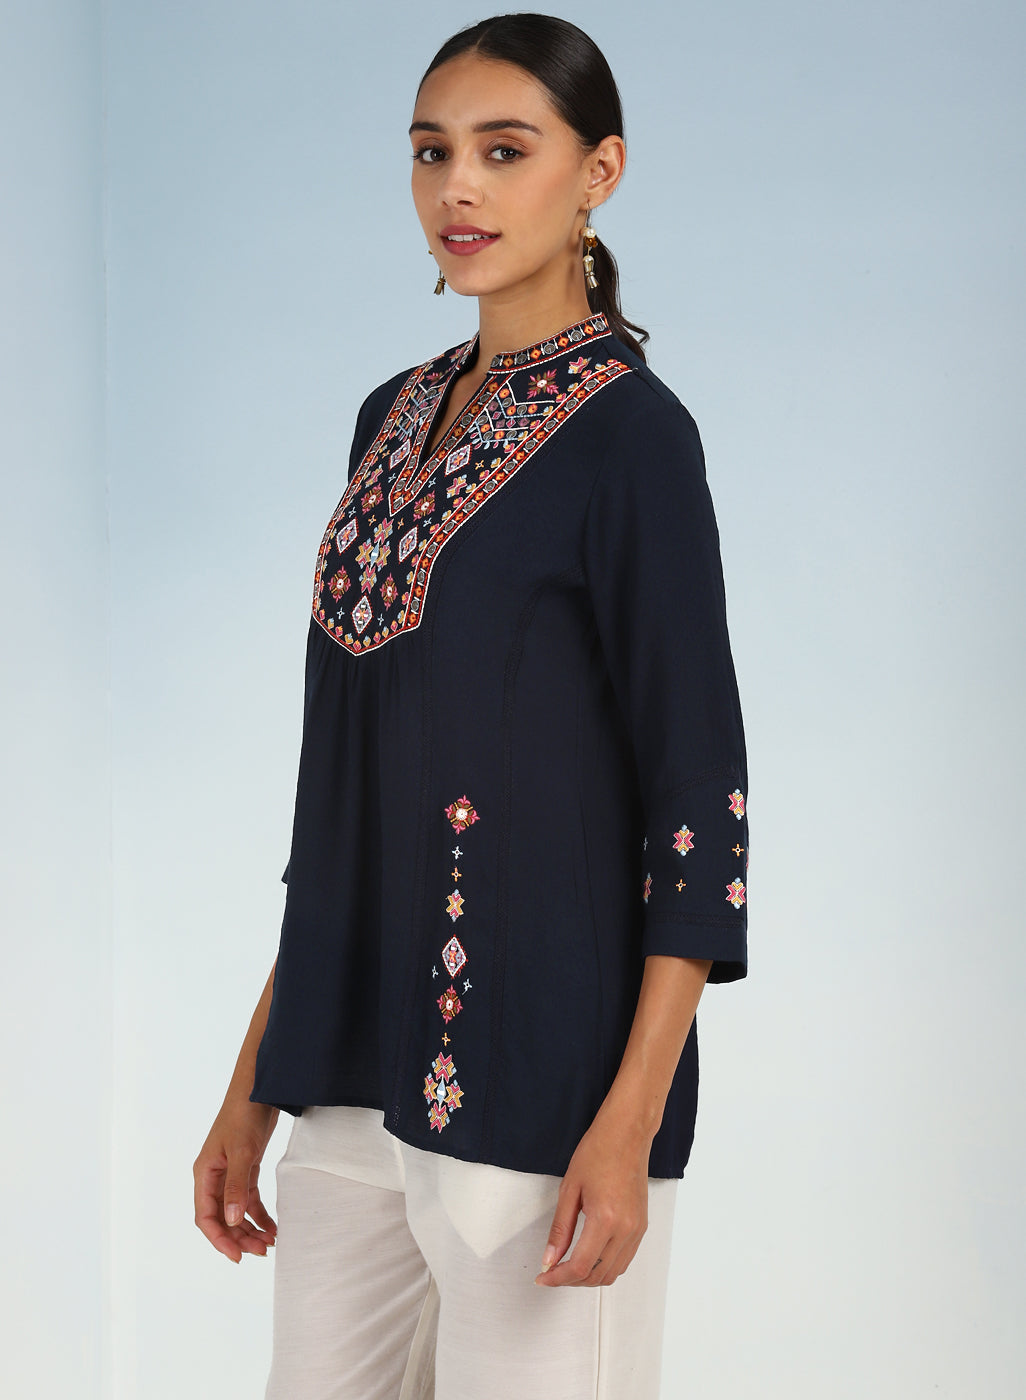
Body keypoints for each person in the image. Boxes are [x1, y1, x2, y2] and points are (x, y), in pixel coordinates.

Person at [193, 13, 749, 1399]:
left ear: (597, 171)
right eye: (431, 152)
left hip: (548, 1087)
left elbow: (696, 795)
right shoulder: (388, 417)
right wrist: (252, 1082)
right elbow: (344, 794)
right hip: (347, 1075)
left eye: (505, 151)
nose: (459, 187)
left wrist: (630, 1122)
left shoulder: (633, 435)